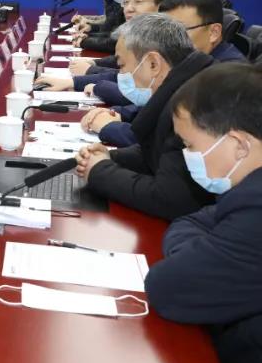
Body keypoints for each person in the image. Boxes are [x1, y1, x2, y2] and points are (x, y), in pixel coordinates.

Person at [146, 64, 262, 363]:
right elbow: (192, 220)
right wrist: (204, 251)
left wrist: (197, 254)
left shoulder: (256, 207)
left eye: (190, 145)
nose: (187, 155)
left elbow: (168, 288)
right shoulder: (246, 193)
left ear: (239, 145)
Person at [74, 14, 216, 221]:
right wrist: (111, 157)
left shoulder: (192, 104)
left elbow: (169, 199)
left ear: (153, 64)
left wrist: (99, 171)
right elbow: (158, 152)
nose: (120, 74)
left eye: (122, 66)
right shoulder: (184, 83)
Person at [76, 0, 245, 147]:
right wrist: (121, 113)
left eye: (179, 30)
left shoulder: (225, 78)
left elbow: (164, 143)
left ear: (214, 32)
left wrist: (108, 127)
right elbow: (158, 105)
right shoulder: (191, 64)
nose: (168, 38)